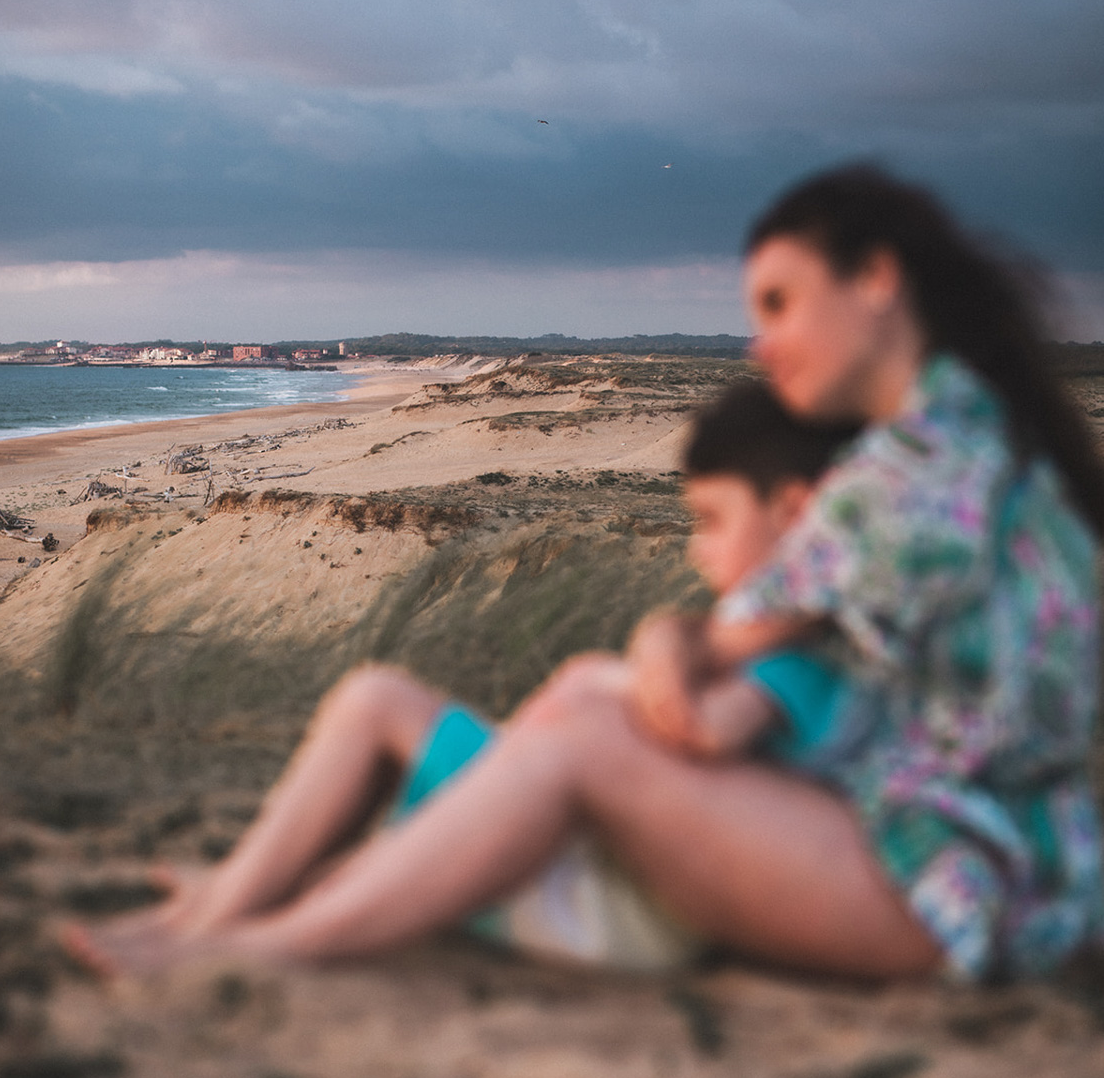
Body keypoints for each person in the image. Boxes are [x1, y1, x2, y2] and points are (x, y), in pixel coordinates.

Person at [68, 163, 1104, 984]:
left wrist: (661, 641)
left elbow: (704, 660)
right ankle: (264, 909)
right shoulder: (977, 438)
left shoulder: (916, 477)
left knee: (582, 728)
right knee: (578, 709)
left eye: (781, 302)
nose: (761, 342)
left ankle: (260, 945)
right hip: (1003, 863)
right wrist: (671, 653)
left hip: (955, 885)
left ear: (875, 279)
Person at [65, 380, 864, 975]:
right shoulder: (764, 648)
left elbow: (700, 732)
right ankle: (238, 891)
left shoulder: (796, 665)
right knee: (373, 696)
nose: (698, 548)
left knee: (395, 734)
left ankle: (232, 920)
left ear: (793, 513)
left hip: (602, 897)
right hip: (583, 845)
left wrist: (649, 660)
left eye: (714, 521)